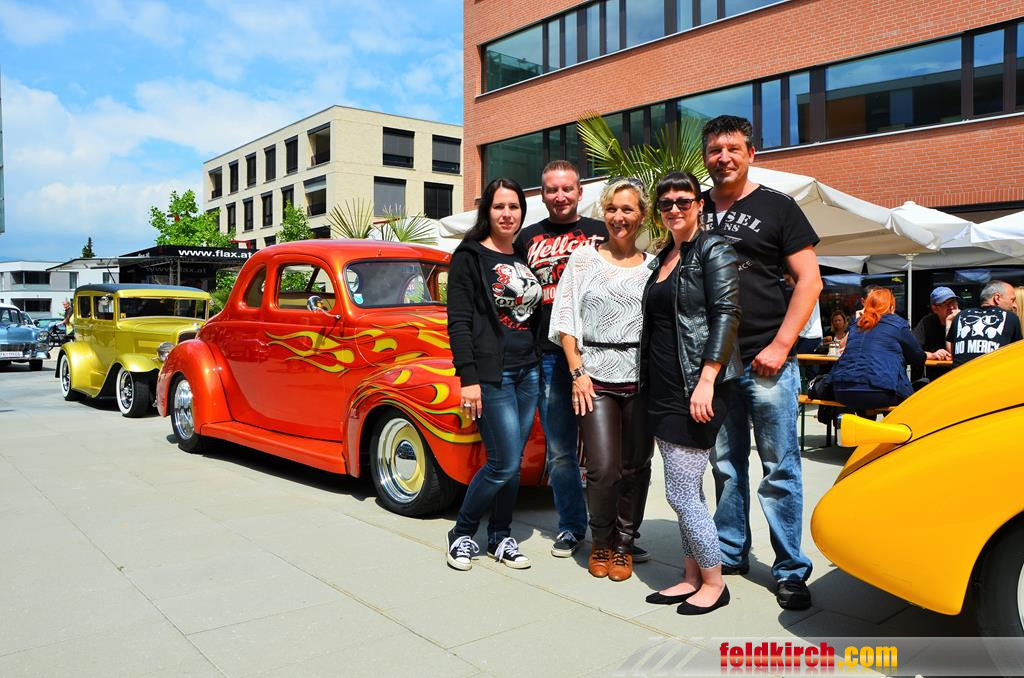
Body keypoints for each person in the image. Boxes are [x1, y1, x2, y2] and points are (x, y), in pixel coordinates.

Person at [698, 114, 822, 611]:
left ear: (751, 154)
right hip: (716, 366)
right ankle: (731, 552)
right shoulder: (693, 208)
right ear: (705, 157)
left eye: (733, 148)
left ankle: (790, 568)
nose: (723, 157)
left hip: (768, 361)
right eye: (715, 149)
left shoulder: (779, 207)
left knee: (779, 469)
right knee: (726, 466)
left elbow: (810, 281)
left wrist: (782, 345)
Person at [640, 172, 741, 615]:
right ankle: (690, 575)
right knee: (687, 492)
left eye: (683, 201)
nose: (674, 209)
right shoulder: (664, 256)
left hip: (696, 388)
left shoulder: (713, 249)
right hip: (663, 388)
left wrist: (707, 379)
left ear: (700, 204)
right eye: (666, 203)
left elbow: (727, 312)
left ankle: (715, 582)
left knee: (681, 494)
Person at [548, 178, 655, 582]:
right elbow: (565, 319)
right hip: (594, 377)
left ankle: (625, 544)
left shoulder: (654, 265)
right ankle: (602, 542)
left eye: (627, 209)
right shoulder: (583, 259)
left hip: (641, 378)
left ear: (642, 215)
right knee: (603, 468)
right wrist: (577, 373)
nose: (618, 217)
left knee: (636, 466)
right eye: (611, 209)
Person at [515, 160, 620, 560]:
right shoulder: (526, 239)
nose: (559, 196)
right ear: (542, 194)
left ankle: (615, 531)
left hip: (598, 354)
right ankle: (572, 526)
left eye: (566, 189)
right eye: (551, 189)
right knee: (560, 450)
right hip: (547, 357)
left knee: (606, 453)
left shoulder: (600, 232)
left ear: (580, 192)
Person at [445, 177, 542, 571]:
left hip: (528, 372)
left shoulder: (522, 253)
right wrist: (468, 379)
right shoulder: (468, 256)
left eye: (513, 207)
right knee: (502, 462)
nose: (507, 214)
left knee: (513, 460)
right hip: (492, 376)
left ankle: (501, 536)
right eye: (499, 206)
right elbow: (459, 322)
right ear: (487, 210)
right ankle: (462, 532)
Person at [828, 288, 945, 410]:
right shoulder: (897, 324)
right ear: (891, 307)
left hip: (841, 390)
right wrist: (930, 355)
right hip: (878, 391)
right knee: (919, 389)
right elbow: (917, 357)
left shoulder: (857, 324)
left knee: (875, 390)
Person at [946, 280, 1023, 367]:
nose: (1015, 305)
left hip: (959, 374)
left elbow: (953, 354)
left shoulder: (960, 316)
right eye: (1012, 300)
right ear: (997, 298)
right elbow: (1017, 356)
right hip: (992, 374)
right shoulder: (1011, 317)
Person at [911, 286, 957, 381]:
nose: (951, 306)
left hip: (961, 374)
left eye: (953, 302)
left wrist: (949, 322)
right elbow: (912, 350)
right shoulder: (927, 322)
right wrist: (933, 355)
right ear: (934, 308)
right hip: (936, 379)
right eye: (946, 303)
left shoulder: (965, 321)